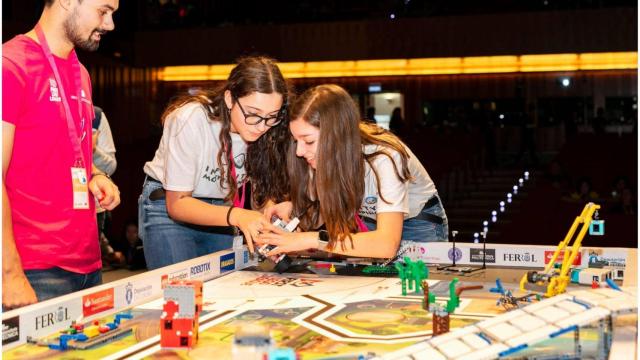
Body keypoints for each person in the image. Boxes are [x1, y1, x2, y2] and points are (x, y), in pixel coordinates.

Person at [2, 0, 121, 309]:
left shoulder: (80, 72)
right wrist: (10, 274)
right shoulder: (10, 66)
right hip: (34, 270)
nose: (109, 25)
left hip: (89, 265)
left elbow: (67, 149)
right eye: (103, 11)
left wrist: (96, 175)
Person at [258, 84, 448, 259]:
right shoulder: (319, 157)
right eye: (296, 140)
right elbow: (318, 217)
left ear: (336, 135)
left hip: (418, 223)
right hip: (373, 224)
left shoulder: (385, 158)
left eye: (308, 141)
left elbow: (386, 244)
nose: (299, 151)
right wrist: (293, 214)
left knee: (416, 287)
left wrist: (308, 239)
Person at [140, 56, 290, 270]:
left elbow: (258, 188)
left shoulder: (268, 129)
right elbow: (177, 204)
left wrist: (268, 216)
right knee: (182, 294)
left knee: (227, 286)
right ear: (229, 99)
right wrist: (239, 216)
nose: (261, 126)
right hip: (169, 206)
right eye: (253, 114)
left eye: (272, 116)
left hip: (222, 209)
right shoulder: (190, 119)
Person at [92, 106, 124, 267]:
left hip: (91, 203)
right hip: (52, 201)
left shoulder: (96, 116)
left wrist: (93, 149)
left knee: (88, 263)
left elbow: (111, 166)